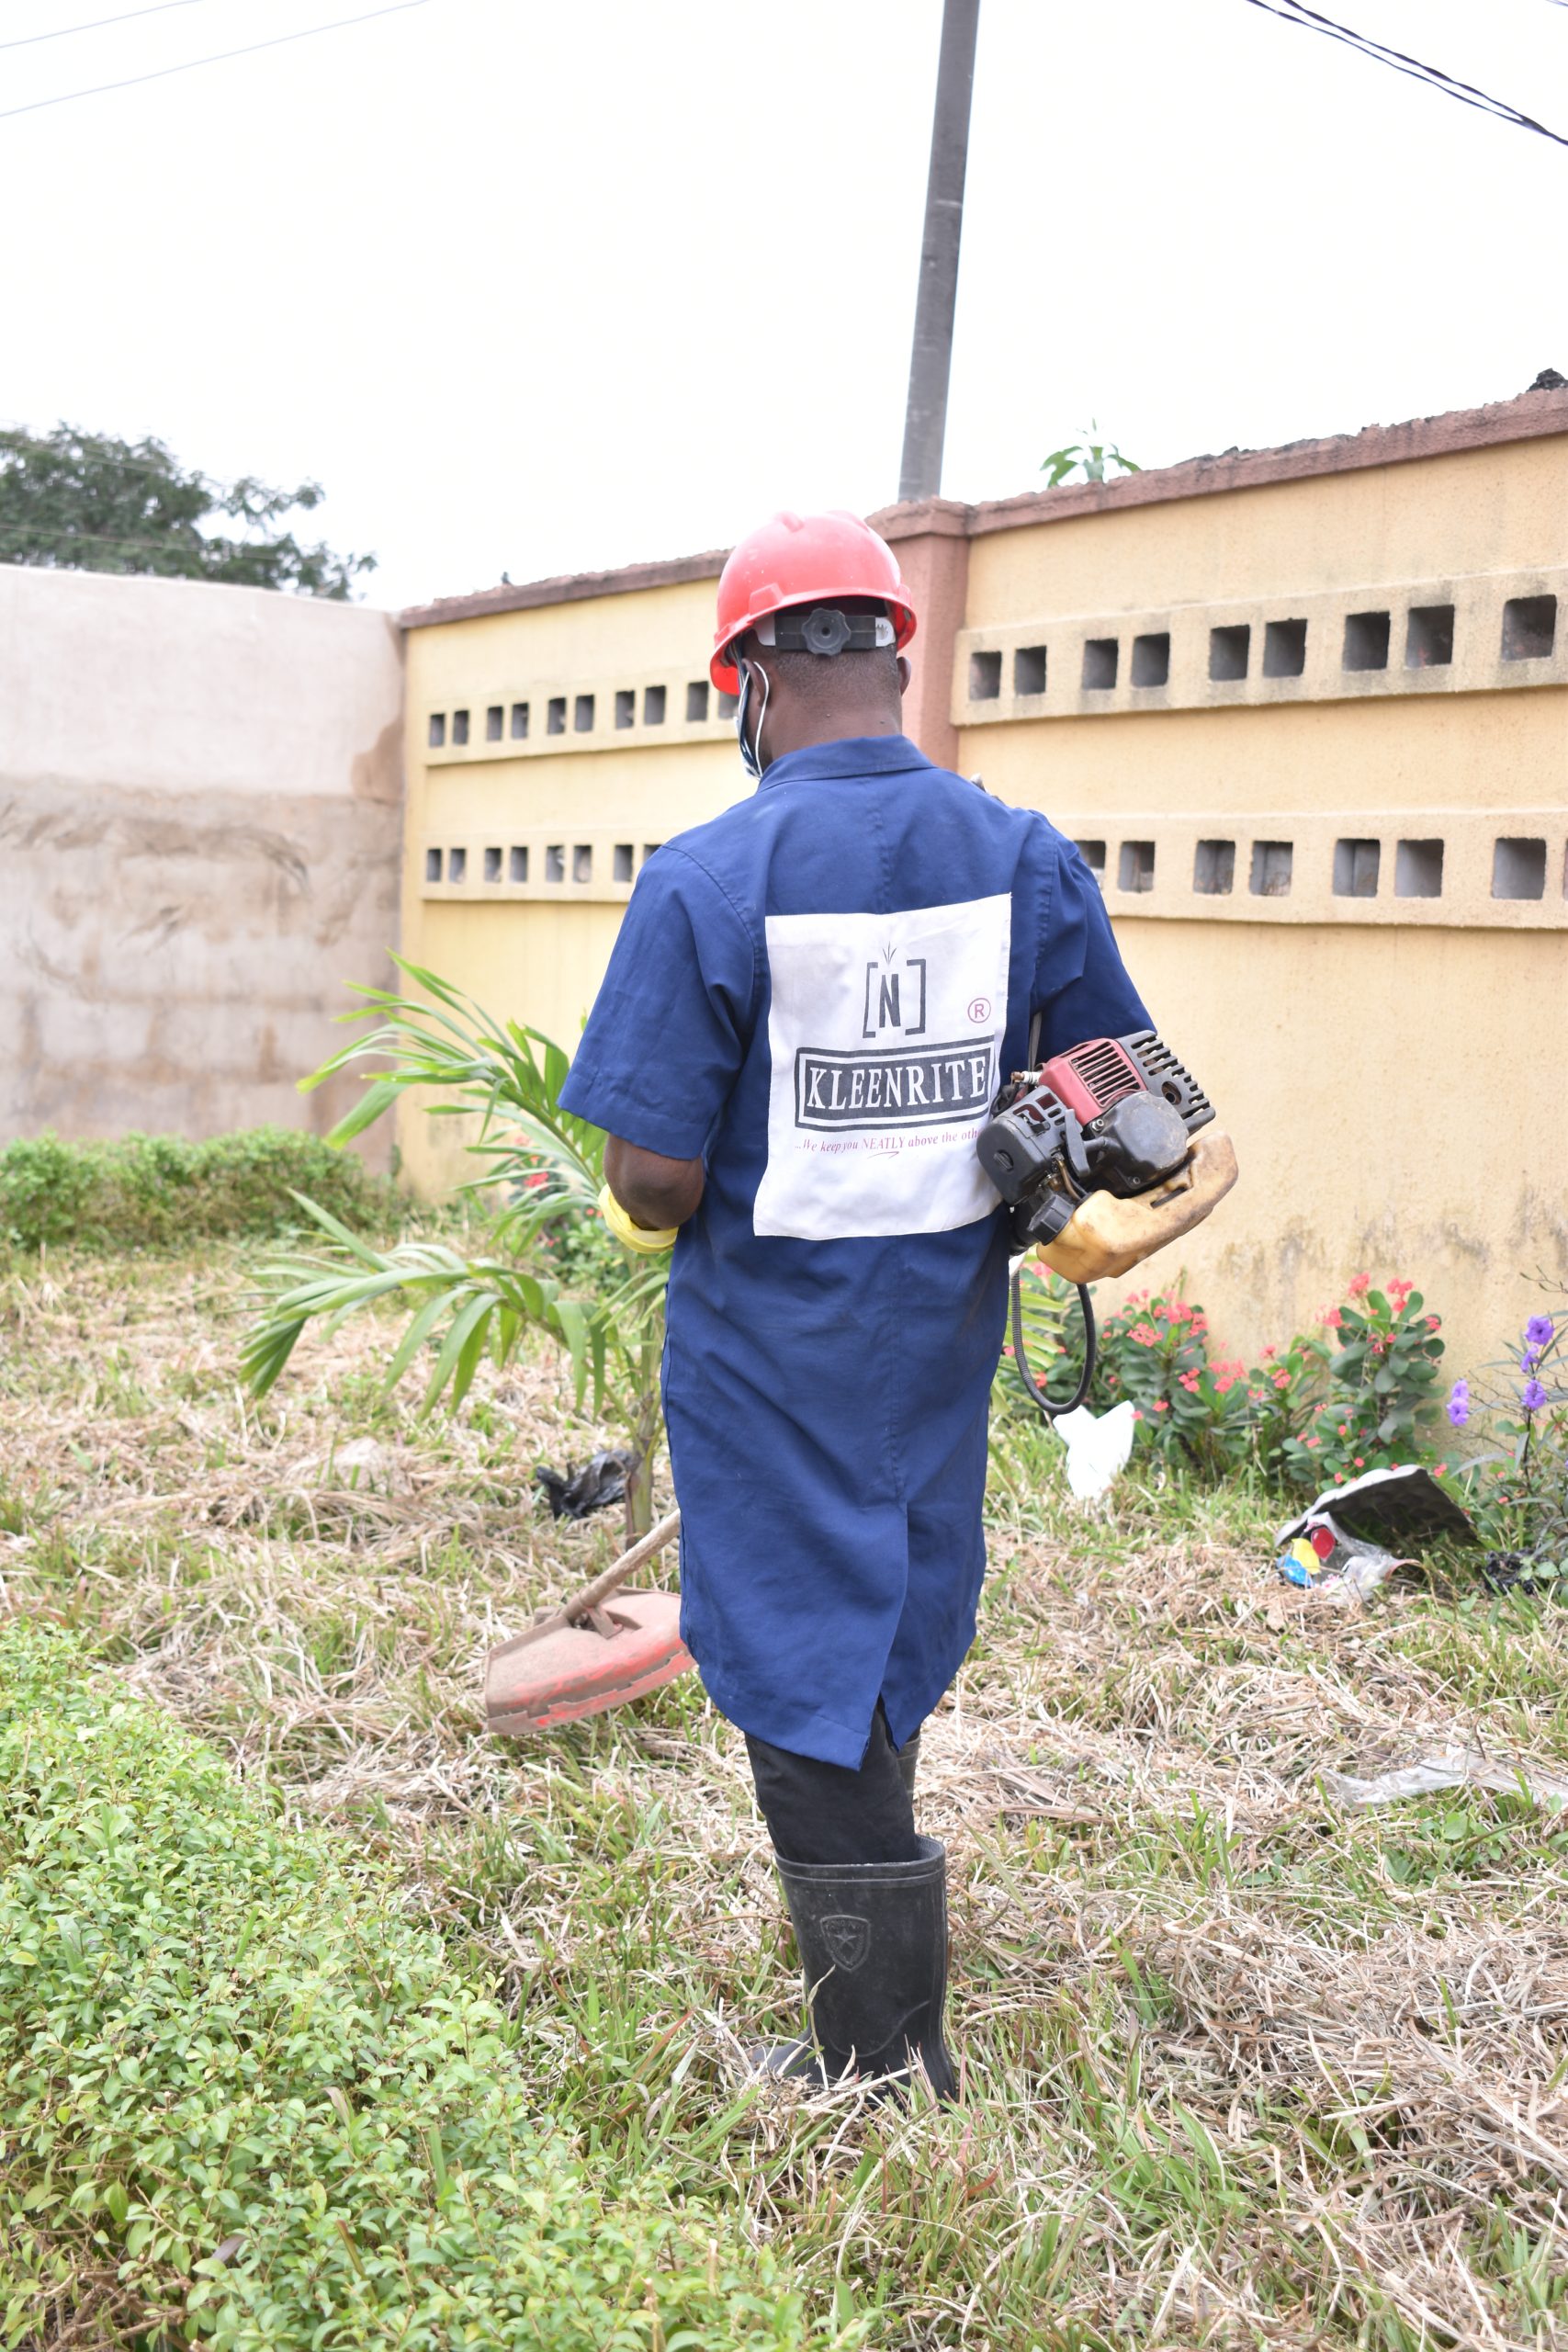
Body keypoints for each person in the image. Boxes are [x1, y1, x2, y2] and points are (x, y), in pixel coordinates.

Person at [558, 509, 1151, 2099]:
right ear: (894, 655)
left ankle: (883, 2059)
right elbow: (1124, 1096)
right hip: (935, 1347)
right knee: (884, 1622)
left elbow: (658, 1181)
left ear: (751, 676)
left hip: (773, 1354)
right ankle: (880, 2018)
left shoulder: (706, 878)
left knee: (795, 1652)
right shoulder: (1022, 856)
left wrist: (655, 1186)